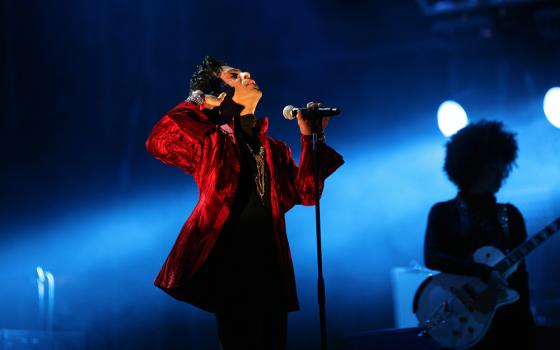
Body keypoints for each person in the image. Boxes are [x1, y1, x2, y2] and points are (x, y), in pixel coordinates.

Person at [145, 56, 343, 349]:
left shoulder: (275, 148)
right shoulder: (210, 142)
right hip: (232, 267)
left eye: (243, 72)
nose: (247, 74)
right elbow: (159, 141)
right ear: (221, 95)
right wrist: (202, 103)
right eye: (234, 76)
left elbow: (306, 193)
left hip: (271, 268)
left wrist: (312, 137)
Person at [423, 120, 535, 349]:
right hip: (460, 321)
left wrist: (526, 325)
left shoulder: (510, 215)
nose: (500, 176)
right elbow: (432, 257)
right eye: (493, 169)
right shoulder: (443, 212)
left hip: (508, 323)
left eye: (503, 169)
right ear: (472, 167)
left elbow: (520, 276)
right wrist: (483, 272)